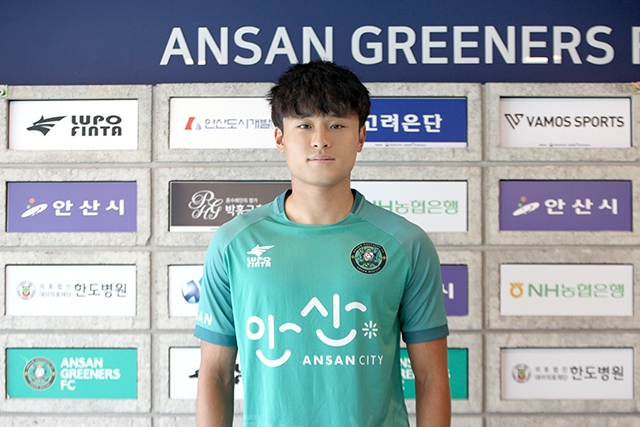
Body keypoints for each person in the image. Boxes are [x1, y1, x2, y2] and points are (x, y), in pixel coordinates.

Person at [195, 61, 451, 427]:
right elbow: (215, 374)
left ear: (361, 136)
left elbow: (431, 377)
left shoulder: (405, 242)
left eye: (337, 124)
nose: (320, 139)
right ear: (280, 137)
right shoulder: (234, 242)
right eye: (304, 125)